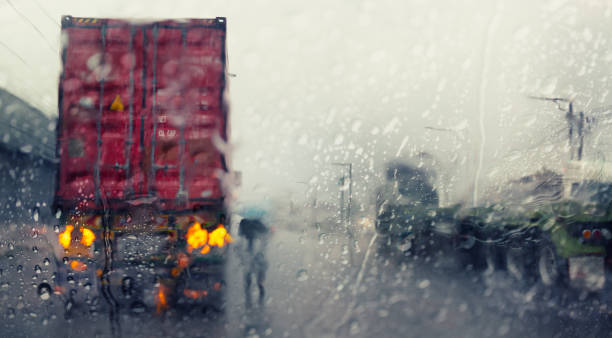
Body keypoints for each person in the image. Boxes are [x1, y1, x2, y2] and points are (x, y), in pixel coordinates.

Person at [239, 218, 269, 307]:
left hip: (251, 252)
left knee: (249, 269)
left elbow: (241, 236)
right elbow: (265, 235)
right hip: (256, 252)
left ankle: (250, 287)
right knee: (257, 269)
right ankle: (260, 287)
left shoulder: (244, 223)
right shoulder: (259, 222)